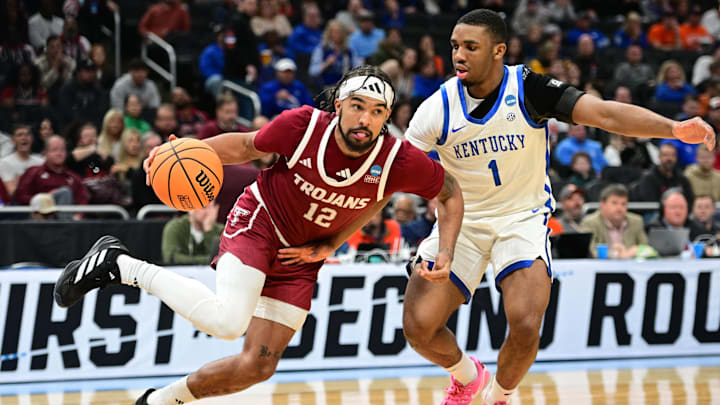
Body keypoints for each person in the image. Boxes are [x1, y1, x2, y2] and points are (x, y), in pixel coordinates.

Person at [53, 65, 464, 405]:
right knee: (229, 322)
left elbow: (447, 193)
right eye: (357, 106)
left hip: (300, 259)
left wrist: (442, 250)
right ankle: (121, 265)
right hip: (261, 222)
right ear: (339, 105)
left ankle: (157, 402)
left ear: (387, 117)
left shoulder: (397, 159)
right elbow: (246, 146)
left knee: (258, 366)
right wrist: (181, 149)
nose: (365, 119)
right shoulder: (303, 126)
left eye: (377, 111)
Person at [401, 9, 716, 405]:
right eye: (454, 47)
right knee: (418, 327)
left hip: (522, 219)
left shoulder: (529, 88)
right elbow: (393, 173)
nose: (458, 55)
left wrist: (671, 128)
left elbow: (603, 114)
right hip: (463, 220)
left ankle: (500, 397)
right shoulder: (437, 108)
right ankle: (468, 378)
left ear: (499, 51)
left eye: (470, 47)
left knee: (526, 322)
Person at [580, 184, 647, 259]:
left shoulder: (636, 221)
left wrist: (636, 251)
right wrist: (616, 254)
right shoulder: (590, 222)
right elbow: (590, 252)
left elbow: (647, 249)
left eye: (623, 204)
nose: (619, 208)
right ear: (602, 204)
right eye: (614, 203)